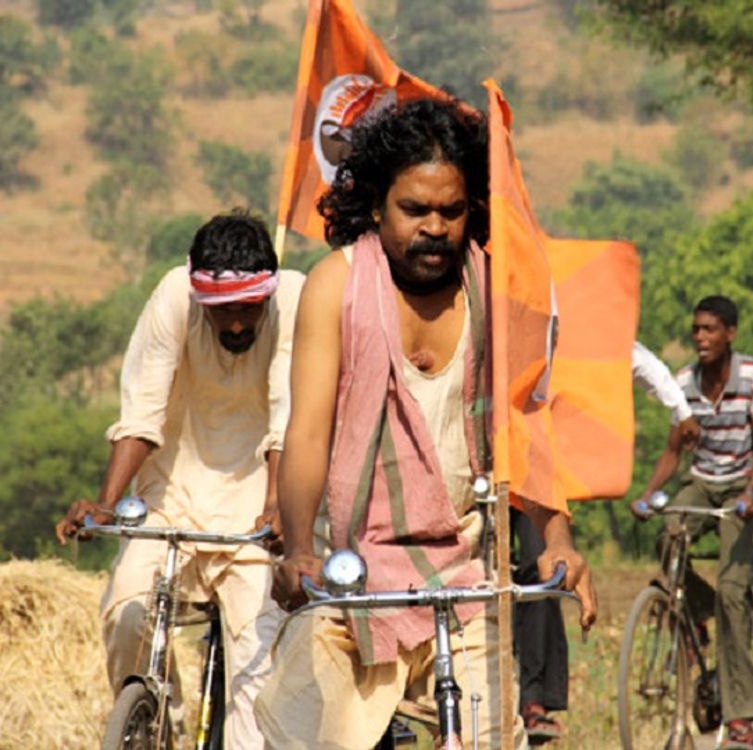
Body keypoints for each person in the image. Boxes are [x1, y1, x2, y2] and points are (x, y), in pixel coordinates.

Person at [252, 97, 597, 750]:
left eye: (451, 210)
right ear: (376, 206)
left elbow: (528, 423)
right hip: (352, 573)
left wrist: (558, 538)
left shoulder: (497, 292)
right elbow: (308, 435)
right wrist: (298, 550)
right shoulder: (334, 287)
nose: (435, 228)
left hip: (466, 572)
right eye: (414, 210)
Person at [55, 211, 304, 750]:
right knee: (127, 617)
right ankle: (159, 726)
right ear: (200, 299)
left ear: (267, 293)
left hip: (261, 510)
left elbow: (288, 416)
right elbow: (142, 409)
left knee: (256, 679)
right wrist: (105, 503)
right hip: (170, 497)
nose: (235, 326)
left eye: (247, 309)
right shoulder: (174, 295)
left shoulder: (294, 300)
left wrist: (278, 507)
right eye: (221, 312)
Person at [514, 340, 699, 742]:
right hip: (479, 457)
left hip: (533, 461)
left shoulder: (563, 321)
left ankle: (534, 700)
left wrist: (680, 409)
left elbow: (626, 352)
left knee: (541, 568)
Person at [630, 295, 753, 750]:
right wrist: (648, 494)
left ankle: (743, 710)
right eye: (696, 330)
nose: (700, 337)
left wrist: (750, 493)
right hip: (701, 483)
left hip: (739, 489)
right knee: (667, 534)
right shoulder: (684, 382)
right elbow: (673, 452)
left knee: (733, 592)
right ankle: (698, 607)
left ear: (730, 333)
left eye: (709, 329)